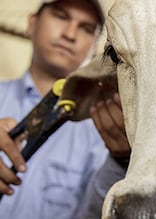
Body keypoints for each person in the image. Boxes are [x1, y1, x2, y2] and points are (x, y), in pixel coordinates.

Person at [0, 0, 130, 218]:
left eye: (86, 28)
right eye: (61, 17)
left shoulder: (103, 131)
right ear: (32, 23)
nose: (70, 34)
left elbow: (93, 214)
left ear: (94, 48)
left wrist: (119, 160)